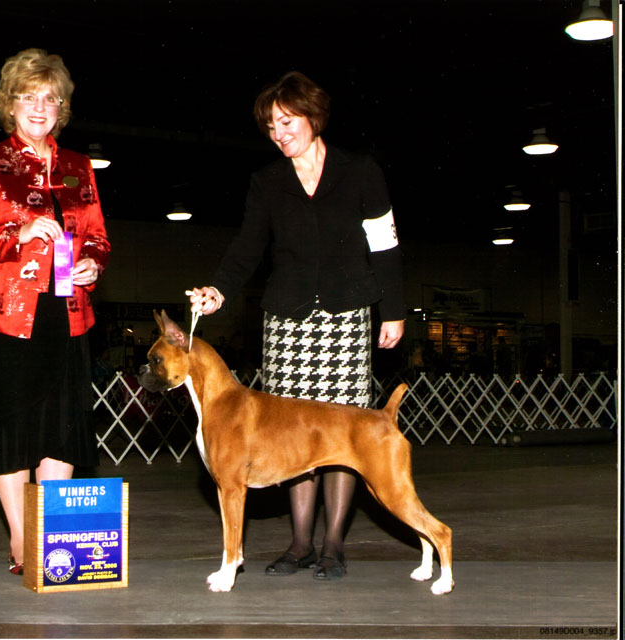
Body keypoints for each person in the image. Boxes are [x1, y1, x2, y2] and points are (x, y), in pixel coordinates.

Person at [188, 71, 405, 581]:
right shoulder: (267, 183)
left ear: (313, 116)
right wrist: (218, 289)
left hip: (347, 318)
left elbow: (386, 244)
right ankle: (301, 541)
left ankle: (332, 546)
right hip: (288, 324)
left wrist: (392, 309)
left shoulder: (360, 171)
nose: (278, 133)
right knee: (292, 439)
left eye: (286, 122)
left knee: (343, 436)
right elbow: (247, 248)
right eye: (270, 126)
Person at [0, 48, 110, 575]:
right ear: (8, 104)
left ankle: (51, 534)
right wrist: (18, 232)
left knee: (61, 429)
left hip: (68, 315)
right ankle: (22, 541)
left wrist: (92, 265)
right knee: (11, 431)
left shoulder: (81, 168)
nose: (39, 107)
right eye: (27, 97)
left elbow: (100, 237)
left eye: (50, 98)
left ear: (62, 107)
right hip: (6, 318)